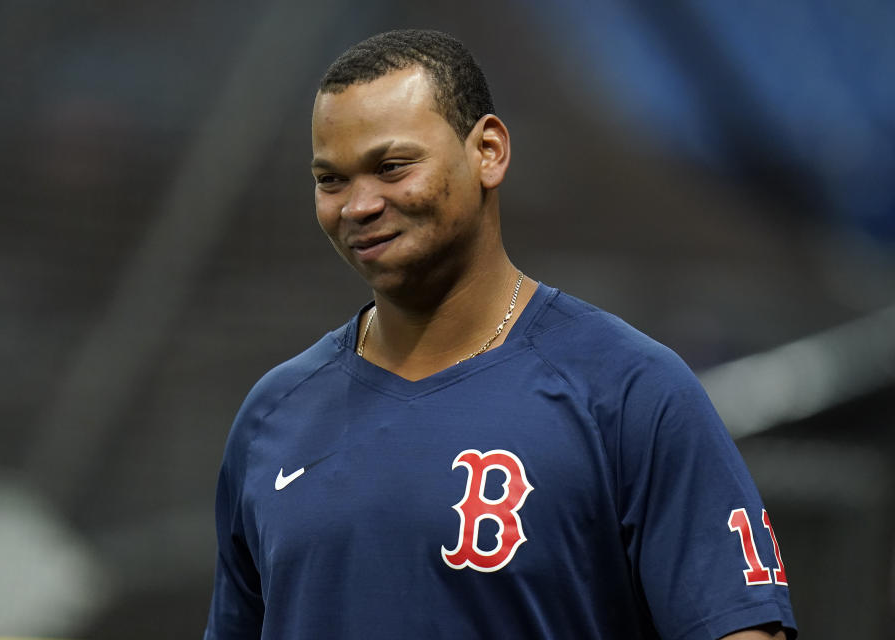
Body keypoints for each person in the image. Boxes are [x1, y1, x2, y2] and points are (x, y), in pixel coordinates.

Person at [204, 29, 797, 640]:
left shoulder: (627, 389)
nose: (358, 205)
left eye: (391, 166)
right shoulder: (273, 415)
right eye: (331, 180)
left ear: (487, 151)